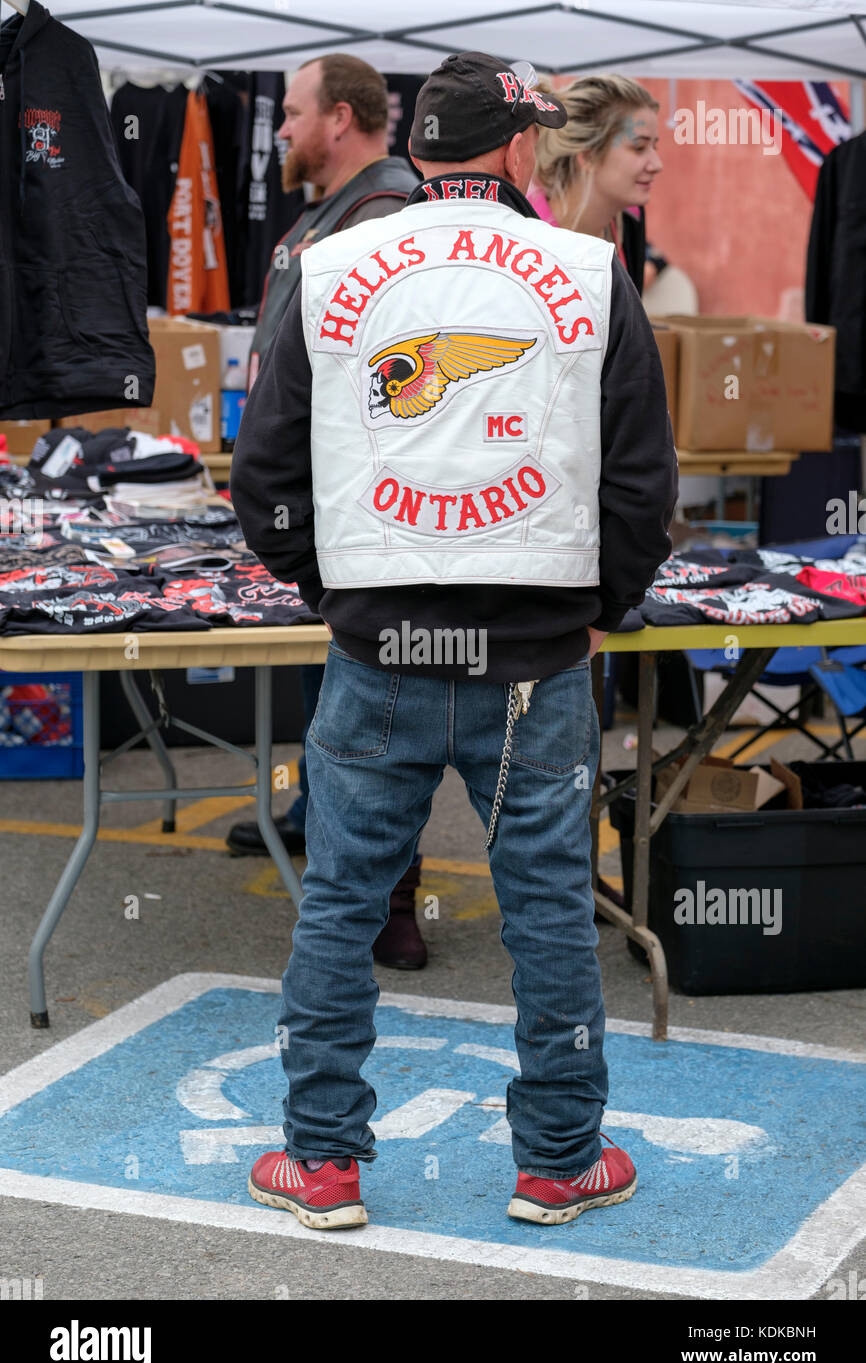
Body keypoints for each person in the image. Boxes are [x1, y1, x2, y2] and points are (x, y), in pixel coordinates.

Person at [230, 50, 677, 1231]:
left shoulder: (328, 263)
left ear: (419, 146)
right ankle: (557, 1160)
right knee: (543, 906)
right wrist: (601, 608)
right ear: (521, 148)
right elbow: (641, 485)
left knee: (338, 902)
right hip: (537, 658)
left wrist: (336, 586)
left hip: (377, 649)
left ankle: (321, 1163)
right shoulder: (588, 270)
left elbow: (265, 474)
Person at [225, 54, 427, 970]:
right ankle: (318, 819)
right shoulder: (335, 212)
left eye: (293, 114)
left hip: (359, 520)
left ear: (340, 118)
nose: (280, 130)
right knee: (340, 698)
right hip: (327, 515)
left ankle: (392, 904)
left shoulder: (382, 220)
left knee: (380, 711)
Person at [529, 74, 663, 295]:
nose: (657, 165)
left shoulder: (630, 220)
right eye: (639, 148)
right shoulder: (530, 238)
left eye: (654, 147)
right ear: (589, 156)